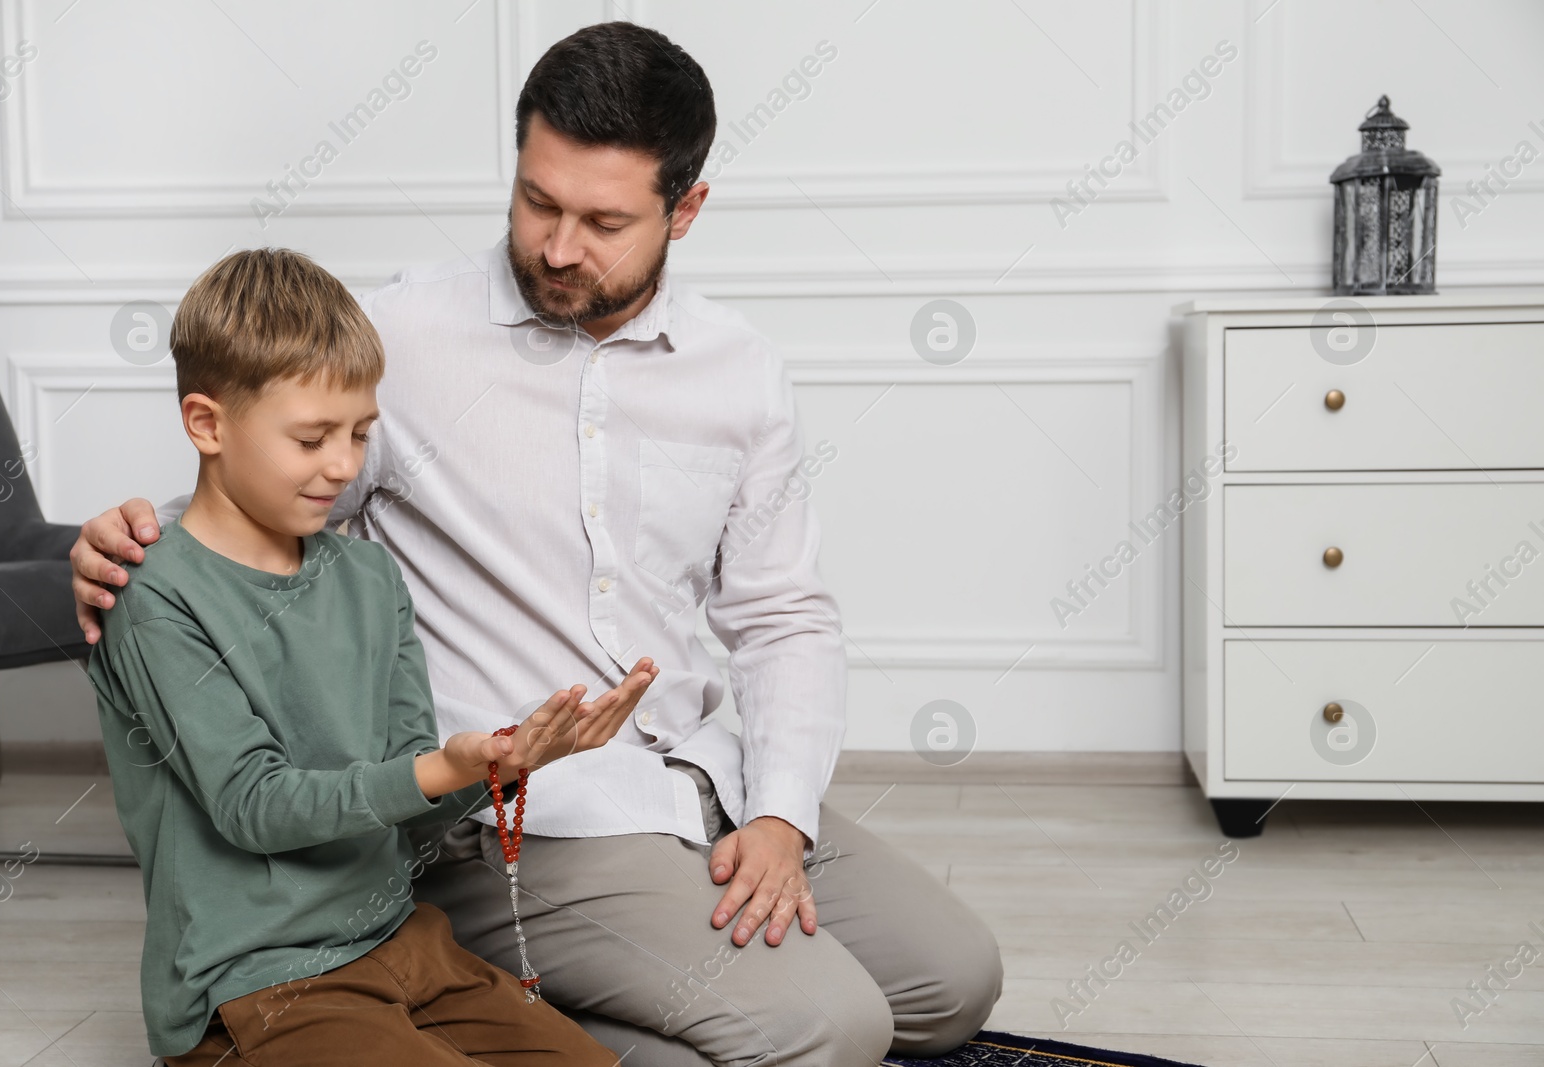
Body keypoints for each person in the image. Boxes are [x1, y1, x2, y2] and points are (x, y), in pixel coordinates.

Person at [72, 21, 1002, 1067]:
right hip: (517, 816)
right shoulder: (405, 336)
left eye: (603, 220)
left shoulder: (740, 371)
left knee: (951, 979)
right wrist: (128, 538)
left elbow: (783, 614)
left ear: (684, 209)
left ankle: (587, 1007)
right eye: (537, 202)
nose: (559, 247)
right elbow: (260, 490)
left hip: (699, 778)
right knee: (827, 1024)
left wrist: (781, 815)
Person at [85, 247, 660, 1065]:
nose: (345, 465)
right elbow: (254, 804)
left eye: (359, 433)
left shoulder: (367, 574)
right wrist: (439, 766)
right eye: (313, 437)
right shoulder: (154, 596)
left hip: (404, 941)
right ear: (207, 423)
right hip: (259, 979)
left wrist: (501, 761)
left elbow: (405, 800)